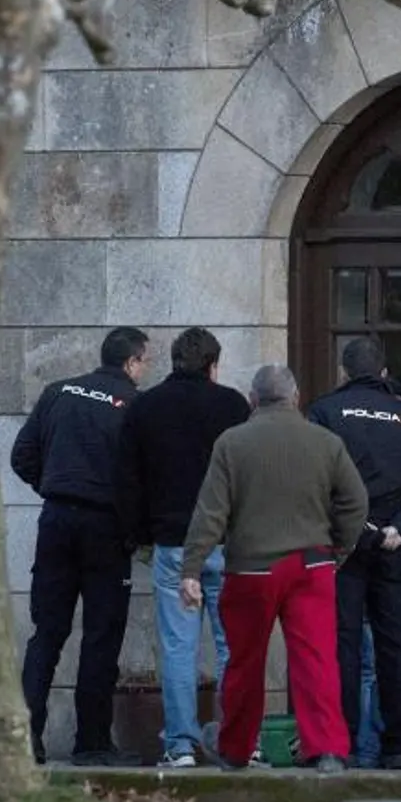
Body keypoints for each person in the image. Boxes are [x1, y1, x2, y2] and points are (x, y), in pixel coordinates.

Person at [179, 364, 367, 775]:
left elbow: (211, 512)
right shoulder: (326, 442)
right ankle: (328, 750)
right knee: (316, 660)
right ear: (296, 397)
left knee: (245, 662)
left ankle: (235, 748)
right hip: (311, 564)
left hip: (251, 569)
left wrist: (191, 568)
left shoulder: (232, 443)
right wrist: (339, 547)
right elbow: (356, 502)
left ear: (252, 399)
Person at [11, 327, 149, 767]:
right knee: (101, 636)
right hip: (105, 528)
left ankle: (26, 738)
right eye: (143, 363)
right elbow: (142, 477)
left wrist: (55, 486)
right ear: (131, 363)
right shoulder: (134, 405)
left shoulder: (57, 392)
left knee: (46, 633)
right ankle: (91, 742)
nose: (143, 372)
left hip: (56, 520)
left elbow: (22, 456)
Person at [116, 327, 250, 769]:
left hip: (173, 542)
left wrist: (141, 535)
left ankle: (180, 744)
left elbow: (129, 481)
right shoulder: (232, 405)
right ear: (213, 365)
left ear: (174, 361)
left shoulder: (146, 406)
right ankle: (236, 743)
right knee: (233, 646)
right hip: (229, 543)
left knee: (178, 648)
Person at [308, 338, 401, 771]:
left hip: (345, 546)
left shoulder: (327, 412)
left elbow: (320, 484)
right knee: (394, 645)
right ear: (384, 373)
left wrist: (362, 532)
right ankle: (396, 746)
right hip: (394, 546)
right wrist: (397, 530)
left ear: (344, 371)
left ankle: (342, 742)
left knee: (343, 644)